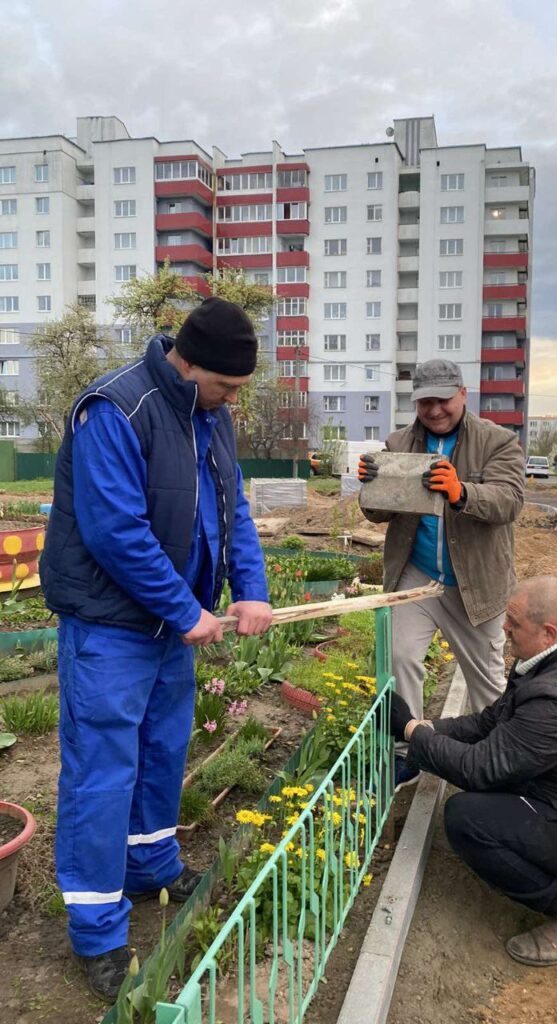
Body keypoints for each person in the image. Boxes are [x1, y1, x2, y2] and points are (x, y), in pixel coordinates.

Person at [40, 297, 273, 1000]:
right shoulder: (114, 410)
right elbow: (117, 533)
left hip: (171, 630)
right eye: (227, 386)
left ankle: (150, 866)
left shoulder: (210, 416)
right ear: (189, 362)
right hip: (112, 628)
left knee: (162, 752)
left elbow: (235, 511)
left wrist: (250, 588)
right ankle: (97, 933)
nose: (233, 400)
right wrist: (185, 608)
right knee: (102, 772)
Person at [389, 575, 557, 967]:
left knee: (467, 819)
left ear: (548, 632)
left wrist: (411, 731)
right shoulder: (553, 663)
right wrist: (425, 728)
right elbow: (488, 725)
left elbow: (480, 769)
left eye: (513, 622)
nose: (503, 627)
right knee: (498, 783)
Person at [358, 358, 525, 788]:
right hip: (417, 577)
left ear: (463, 395)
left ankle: (499, 760)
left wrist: (461, 491)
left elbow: (508, 501)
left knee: (487, 681)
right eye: (424, 401)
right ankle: (409, 752)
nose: (434, 410)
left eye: (443, 400)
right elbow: (377, 512)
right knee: (398, 660)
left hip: (475, 584)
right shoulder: (399, 442)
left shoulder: (497, 441)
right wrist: (370, 485)